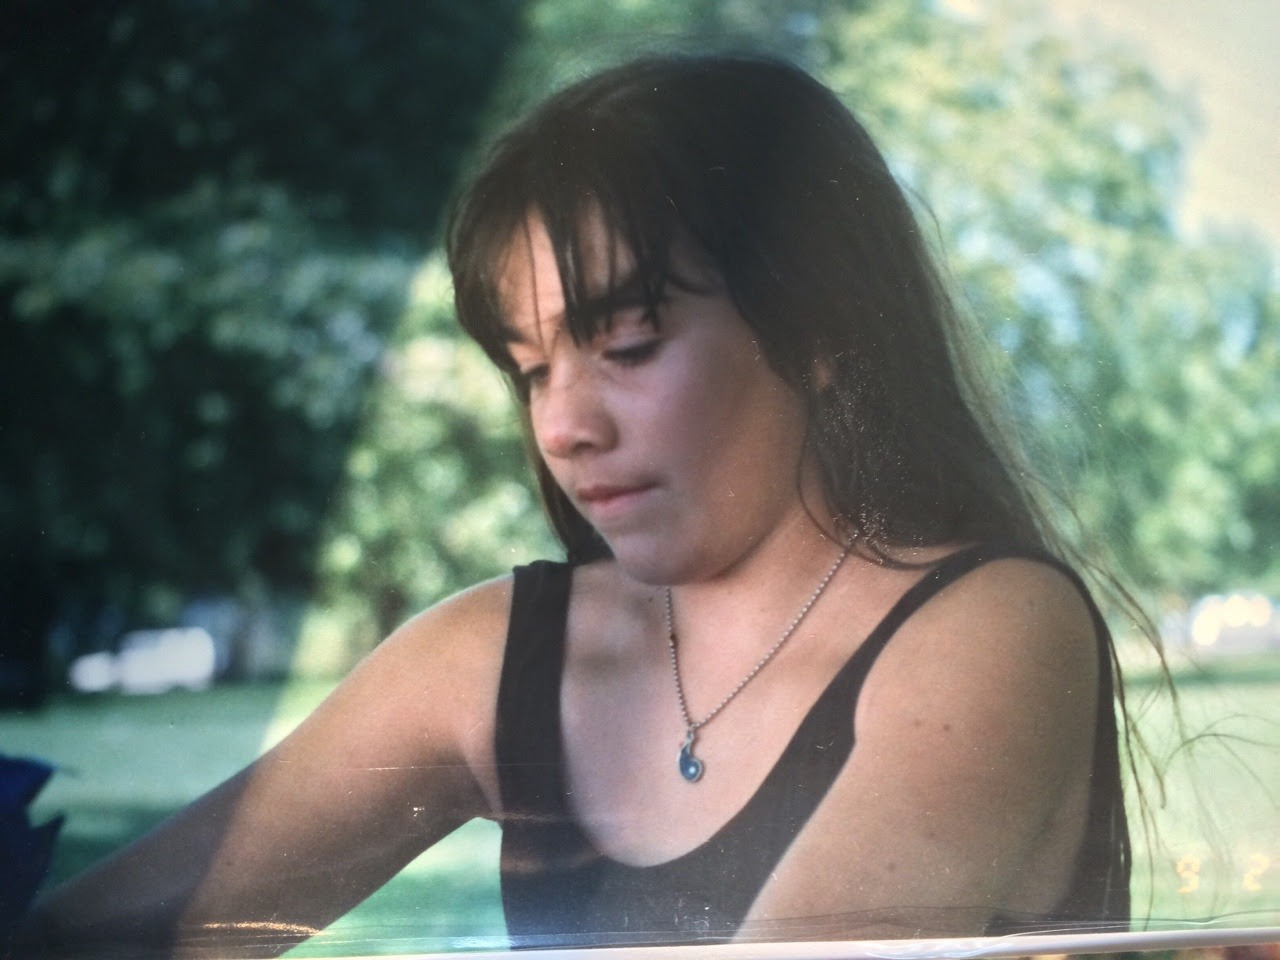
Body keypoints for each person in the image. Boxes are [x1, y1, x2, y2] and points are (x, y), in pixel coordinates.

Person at [16, 54, 1131, 956]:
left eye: (627, 346)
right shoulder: (500, 654)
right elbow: (89, 939)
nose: (562, 427)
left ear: (818, 332)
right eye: (531, 369)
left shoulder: (994, 629)